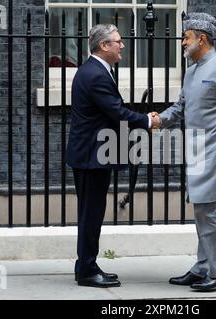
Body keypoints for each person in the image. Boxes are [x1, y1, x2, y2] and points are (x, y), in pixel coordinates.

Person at [151, 12, 216, 291]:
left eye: (186, 37)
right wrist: (158, 119)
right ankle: (203, 267)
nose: (183, 43)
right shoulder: (191, 71)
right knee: (202, 208)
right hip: (197, 147)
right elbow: (180, 108)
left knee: (205, 208)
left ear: (202, 38)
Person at [66, 24, 159, 288]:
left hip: (92, 154)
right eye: (118, 41)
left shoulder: (96, 70)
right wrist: (147, 121)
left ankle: (88, 264)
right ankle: (86, 269)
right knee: (91, 214)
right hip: (91, 156)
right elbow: (116, 111)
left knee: (92, 212)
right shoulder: (95, 74)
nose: (123, 45)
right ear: (104, 46)